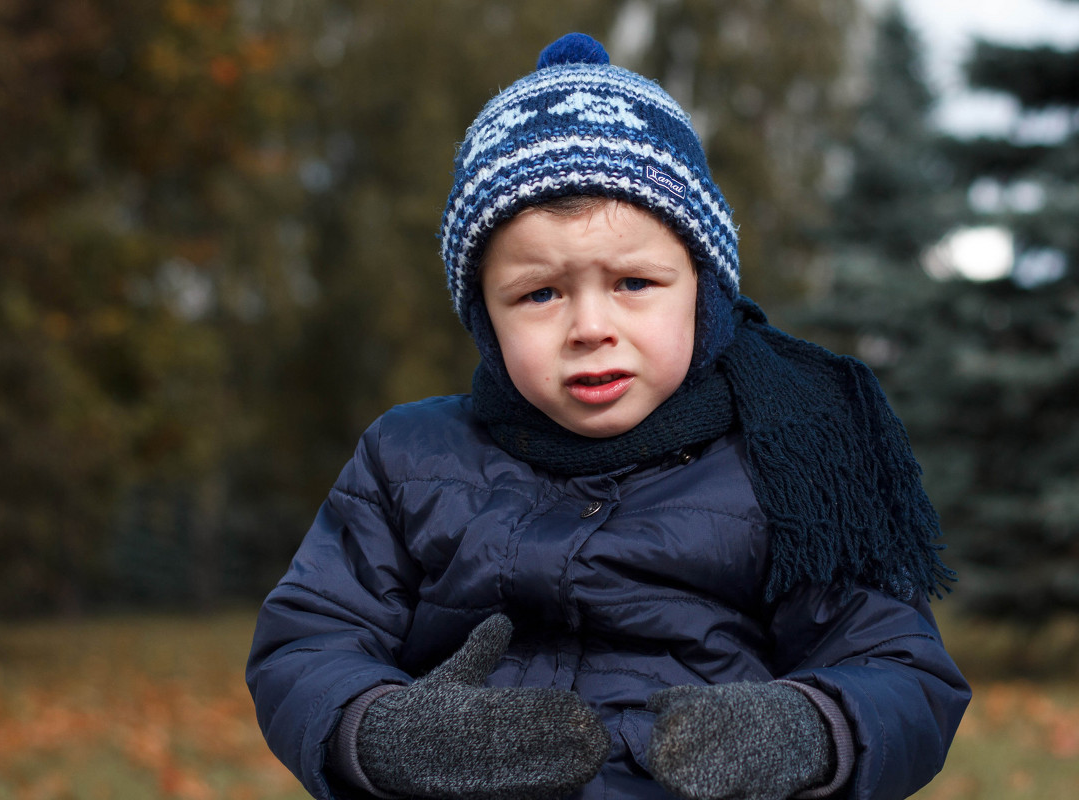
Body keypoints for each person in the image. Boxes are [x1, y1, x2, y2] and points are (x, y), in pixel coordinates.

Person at [247, 32, 970, 800]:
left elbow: (902, 670)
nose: (590, 326)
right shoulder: (408, 457)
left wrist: (800, 730)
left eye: (633, 282)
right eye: (540, 294)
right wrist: (383, 732)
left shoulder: (793, 463)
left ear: (705, 292)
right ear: (485, 319)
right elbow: (308, 642)